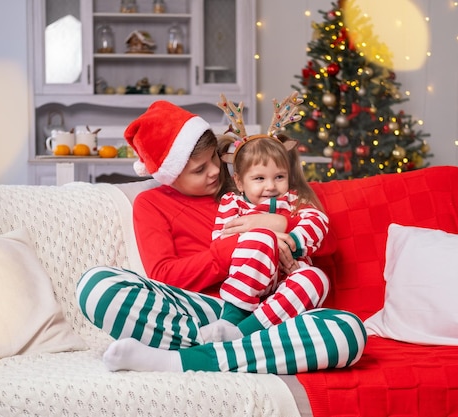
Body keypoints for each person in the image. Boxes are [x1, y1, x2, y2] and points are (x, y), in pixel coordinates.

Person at [75, 98, 366, 374]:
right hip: (199, 309)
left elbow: (326, 242)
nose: (215, 171)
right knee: (96, 286)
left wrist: (278, 223)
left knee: (347, 331)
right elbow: (164, 275)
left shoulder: (245, 184)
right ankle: (226, 349)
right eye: (199, 169)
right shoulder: (152, 204)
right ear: (171, 174)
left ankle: (179, 359)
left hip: (268, 314)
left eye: (214, 157)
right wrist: (240, 245)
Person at [200, 101, 331, 343]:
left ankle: (241, 333)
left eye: (279, 177)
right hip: (249, 280)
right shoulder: (232, 202)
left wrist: (291, 241)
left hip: (286, 279)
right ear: (239, 182)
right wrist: (269, 238)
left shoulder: (294, 200)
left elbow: (317, 222)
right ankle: (231, 318)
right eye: (259, 178)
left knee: (316, 279)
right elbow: (221, 242)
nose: (271, 186)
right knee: (259, 238)